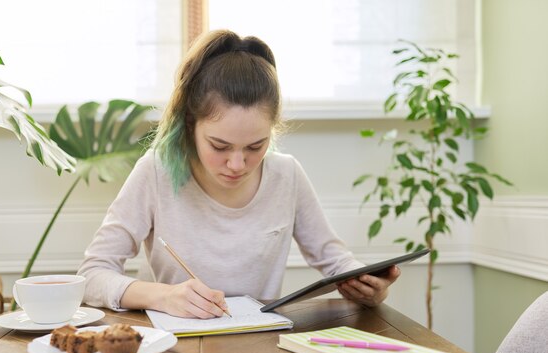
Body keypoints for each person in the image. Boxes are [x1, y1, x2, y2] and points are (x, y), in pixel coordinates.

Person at [78, 29, 400, 319]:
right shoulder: (156, 171)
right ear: (191, 126)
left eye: (255, 146)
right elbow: (93, 275)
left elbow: (337, 262)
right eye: (219, 146)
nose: (237, 164)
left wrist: (369, 285)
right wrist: (164, 296)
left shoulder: (286, 175)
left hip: (260, 352)